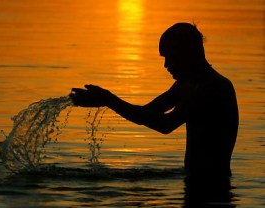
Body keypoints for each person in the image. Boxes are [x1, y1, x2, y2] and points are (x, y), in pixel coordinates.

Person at [70, 22, 239, 177]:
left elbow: (165, 124)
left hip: (214, 185)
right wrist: (105, 100)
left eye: (169, 57)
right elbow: (146, 113)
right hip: (194, 180)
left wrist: (109, 100)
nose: (166, 65)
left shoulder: (214, 87)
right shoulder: (185, 85)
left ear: (186, 54)